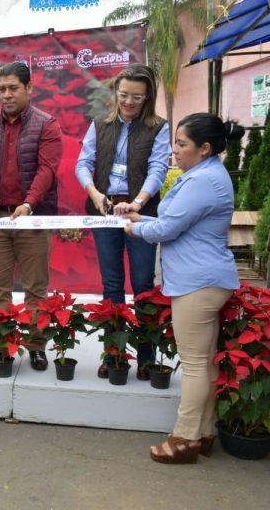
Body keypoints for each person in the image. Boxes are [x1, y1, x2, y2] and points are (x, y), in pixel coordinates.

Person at [124, 113, 241, 463]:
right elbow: (172, 221)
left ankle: (184, 439)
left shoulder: (204, 180)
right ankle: (204, 433)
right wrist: (139, 217)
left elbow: (167, 230)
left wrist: (134, 230)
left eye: (181, 144)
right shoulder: (204, 174)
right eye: (175, 142)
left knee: (193, 365)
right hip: (203, 279)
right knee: (204, 363)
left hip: (198, 283)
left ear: (204, 148)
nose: (174, 151)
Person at [74, 64, 171, 380]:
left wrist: (138, 202)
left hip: (140, 216)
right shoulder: (100, 124)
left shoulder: (158, 127)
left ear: (147, 98)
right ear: (116, 92)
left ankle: (146, 358)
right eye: (124, 95)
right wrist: (95, 192)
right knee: (111, 284)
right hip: (105, 212)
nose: (129, 102)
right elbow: (83, 164)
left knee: (142, 284)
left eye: (137, 98)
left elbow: (158, 170)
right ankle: (113, 356)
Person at [0, 61, 63, 371]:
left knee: (36, 286)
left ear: (29, 89)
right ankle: (1, 346)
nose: (6, 95)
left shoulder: (47, 124)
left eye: (13, 88)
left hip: (32, 219)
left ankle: (36, 346)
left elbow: (47, 169)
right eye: (1, 89)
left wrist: (29, 204)